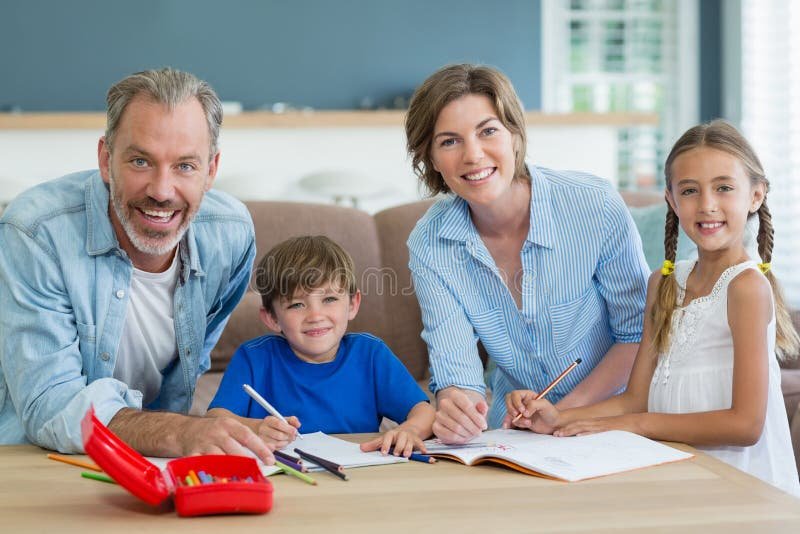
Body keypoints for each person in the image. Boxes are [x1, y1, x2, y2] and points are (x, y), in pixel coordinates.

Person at [505, 120, 800, 496]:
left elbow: (746, 425)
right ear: (672, 201)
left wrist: (636, 425)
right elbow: (635, 397)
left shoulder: (746, 288)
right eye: (690, 191)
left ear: (756, 196)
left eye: (724, 188)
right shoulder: (662, 283)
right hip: (677, 474)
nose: (707, 205)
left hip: (741, 485)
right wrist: (557, 417)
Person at [0, 68, 274, 463]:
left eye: (185, 166)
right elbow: (48, 402)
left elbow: (190, 362)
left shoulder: (230, 236)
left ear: (211, 171)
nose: (162, 191)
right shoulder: (35, 233)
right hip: (39, 461)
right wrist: (178, 432)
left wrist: (174, 436)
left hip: (154, 461)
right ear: (106, 159)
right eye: (141, 161)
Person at [405, 64, 650, 443]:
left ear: (515, 136)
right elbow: (458, 373)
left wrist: (564, 412)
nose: (473, 155)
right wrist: (458, 407)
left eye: (488, 131)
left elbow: (637, 335)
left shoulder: (593, 205)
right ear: (431, 158)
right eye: (449, 141)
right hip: (515, 432)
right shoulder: (430, 243)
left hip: (610, 419)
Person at [206, 236, 435, 457]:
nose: (315, 316)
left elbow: (423, 412)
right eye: (297, 304)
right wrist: (256, 428)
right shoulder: (253, 358)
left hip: (357, 478)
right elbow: (215, 419)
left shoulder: (371, 355)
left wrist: (410, 431)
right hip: (283, 477)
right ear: (272, 318)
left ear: (353, 304)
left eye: (329, 299)